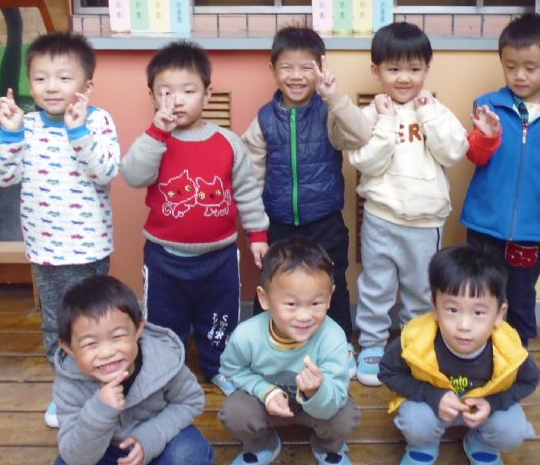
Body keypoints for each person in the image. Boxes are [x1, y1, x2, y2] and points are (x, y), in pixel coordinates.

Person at [120, 40, 269, 391]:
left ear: (207, 94)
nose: (177, 100)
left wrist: (258, 235)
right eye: (166, 92)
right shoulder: (154, 141)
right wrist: (157, 133)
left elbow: (247, 192)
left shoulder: (228, 142)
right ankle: (164, 370)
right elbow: (133, 176)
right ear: (152, 97)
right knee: (164, 320)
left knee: (220, 318)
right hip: (164, 257)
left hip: (219, 257)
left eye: (188, 91)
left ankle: (219, 365)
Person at [0, 31, 120, 428]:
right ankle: (66, 390)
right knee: (55, 324)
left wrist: (78, 132)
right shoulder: (25, 125)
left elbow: (106, 172)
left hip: (89, 248)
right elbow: (3, 177)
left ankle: (101, 384)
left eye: (64, 78)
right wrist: (10, 134)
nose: (51, 87)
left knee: (93, 321)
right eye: (41, 78)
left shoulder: (97, 121)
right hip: (45, 250)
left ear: (87, 86)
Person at [347, 22, 469, 386]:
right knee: (376, 285)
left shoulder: (436, 110)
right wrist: (385, 123)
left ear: (427, 69)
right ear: (376, 70)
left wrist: (428, 114)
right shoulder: (370, 114)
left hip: (424, 222)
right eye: (394, 68)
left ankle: (414, 343)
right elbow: (364, 162)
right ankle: (371, 344)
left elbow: (453, 152)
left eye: (414, 69)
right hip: (380, 217)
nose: (404, 78)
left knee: (420, 289)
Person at [241, 26, 371, 355]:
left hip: (325, 220)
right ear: (273, 69)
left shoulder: (329, 112)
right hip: (278, 223)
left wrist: (335, 98)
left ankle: (339, 348)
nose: (296, 76)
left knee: (332, 283)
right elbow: (249, 179)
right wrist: (257, 232)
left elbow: (361, 135)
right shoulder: (264, 120)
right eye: (287, 67)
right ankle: (261, 349)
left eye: (306, 67)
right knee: (273, 283)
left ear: (321, 68)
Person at [461, 12, 540, 345]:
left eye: (530, 68)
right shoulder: (488, 107)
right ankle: (478, 346)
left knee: (520, 292)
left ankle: (517, 351)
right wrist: (487, 136)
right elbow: (475, 155)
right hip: (485, 224)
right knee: (480, 290)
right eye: (510, 66)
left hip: (531, 229)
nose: (519, 76)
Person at [379, 245, 539, 465]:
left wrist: (492, 403)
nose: (464, 325)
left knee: (512, 429)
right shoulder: (416, 340)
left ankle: (482, 444)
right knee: (415, 421)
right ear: (435, 307)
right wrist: (432, 396)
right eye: (452, 310)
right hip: (432, 406)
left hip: (482, 410)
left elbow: (529, 380)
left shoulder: (508, 349)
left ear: (498, 314)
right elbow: (388, 371)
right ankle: (423, 445)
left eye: (479, 312)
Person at [219, 237, 360, 465]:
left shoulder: (333, 337)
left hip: (315, 408)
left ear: (329, 297)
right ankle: (262, 444)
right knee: (235, 412)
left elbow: (336, 394)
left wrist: (316, 390)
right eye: (291, 304)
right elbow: (232, 370)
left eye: (316, 303)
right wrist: (265, 391)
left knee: (345, 417)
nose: (304, 316)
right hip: (265, 404)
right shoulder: (247, 335)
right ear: (264, 298)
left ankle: (326, 447)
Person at [53, 274, 213, 465]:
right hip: (103, 451)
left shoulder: (163, 361)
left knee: (188, 451)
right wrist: (100, 409)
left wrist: (150, 438)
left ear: (138, 329)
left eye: (117, 336)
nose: (107, 352)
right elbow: (76, 456)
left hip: (159, 442)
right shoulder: (69, 384)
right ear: (69, 348)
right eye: (90, 344)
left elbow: (190, 401)